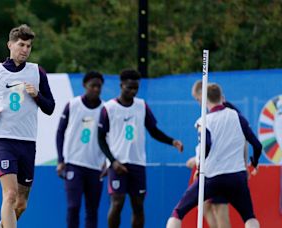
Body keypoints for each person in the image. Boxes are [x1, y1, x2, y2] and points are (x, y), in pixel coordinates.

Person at [0, 24, 55, 228]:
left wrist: (37, 95)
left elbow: (50, 108)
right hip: (3, 140)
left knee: (21, 203)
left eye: (28, 46)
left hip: (27, 142)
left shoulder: (37, 72)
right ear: (10, 45)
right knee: (10, 195)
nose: (25, 49)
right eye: (21, 44)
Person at [166, 83, 262, 228]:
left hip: (211, 176)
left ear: (203, 100)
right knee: (249, 217)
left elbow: (206, 146)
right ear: (221, 97)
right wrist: (253, 164)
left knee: (178, 212)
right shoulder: (238, 117)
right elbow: (257, 144)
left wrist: (199, 167)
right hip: (236, 176)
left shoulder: (204, 121)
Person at [97, 69, 183, 228]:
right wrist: (112, 161)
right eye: (129, 87)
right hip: (118, 163)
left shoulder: (141, 106)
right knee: (117, 203)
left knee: (138, 205)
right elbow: (100, 138)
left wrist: (172, 141)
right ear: (121, 85)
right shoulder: (109, 108)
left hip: (137, 163)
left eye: (136, 88)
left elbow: (153, 131)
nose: (133, 91)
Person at [192, 80, 252, 228]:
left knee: (220, 209)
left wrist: (243, 163)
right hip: (216, 167)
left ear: (203, 95)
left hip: (224, 168)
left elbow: (241, 139)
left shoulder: (227, 112)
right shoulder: (214, 110)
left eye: (198, 99)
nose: (198, 103)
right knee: (205, 206)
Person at [56, 71, 106, 228]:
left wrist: (108, 162)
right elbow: (60, 132)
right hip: (74, 164)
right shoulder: (73, 105)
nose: (96, 89)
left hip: (95, 166)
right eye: (93, 86)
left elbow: (111, 138)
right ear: (85, 86)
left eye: (99, 86)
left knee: (92, 210)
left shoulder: (106, 109)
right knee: (73, 206)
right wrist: (60, 160)